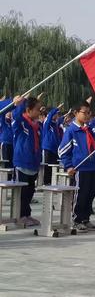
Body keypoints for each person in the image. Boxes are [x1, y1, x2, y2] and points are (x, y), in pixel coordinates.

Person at [58, 101, 95, 233]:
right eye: (85, 113)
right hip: (80, 168)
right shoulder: (72, 130)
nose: (88, 115)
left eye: (89, 113)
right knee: (80, 195)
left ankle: (85, 218)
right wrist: (68, 166)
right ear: (76, 113)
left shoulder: (88, 130)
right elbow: (62, 150)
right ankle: (76, 219)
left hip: (92, 167)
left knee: (90, 193)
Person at [11, 96, 43, 226]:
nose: (40, 112)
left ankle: (27, 214)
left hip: (33, 163)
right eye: (37, 109)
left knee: (30, 191)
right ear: (28, 110)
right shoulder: (21, 122)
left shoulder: (36, 126)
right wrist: (18, 104)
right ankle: (19, 216)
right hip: (22, 162)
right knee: (22, 192)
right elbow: (15, 116)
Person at [41, 105, 63, 185]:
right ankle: (45, 182)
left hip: (54, 149)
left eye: (57, 114)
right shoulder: (47, 123)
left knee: (53, 167)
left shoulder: (55, 125)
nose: (57, 115)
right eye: (56, 114)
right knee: (47, 166)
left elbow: (61, 119)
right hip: (47, 148)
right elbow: (50, 115)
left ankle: (51, 181)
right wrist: (56, 108)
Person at [0, 97, 14, 168]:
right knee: (5, 163)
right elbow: (2, 112)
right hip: (5, 143)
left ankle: (10, 178)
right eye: (8, 111)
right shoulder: (3, 120)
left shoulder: (11, 122)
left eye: (10, 111)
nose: (9, 112)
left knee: (11, 164)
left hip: (12, 143)